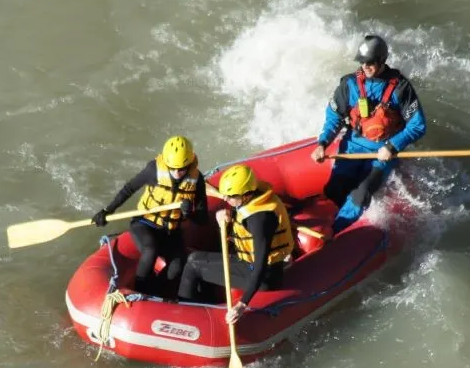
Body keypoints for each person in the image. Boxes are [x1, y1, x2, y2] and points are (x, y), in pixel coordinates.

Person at [310, 34, 427, 233]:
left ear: (382, 61)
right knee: (335, 189)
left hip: (382, 151)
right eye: (362, 62)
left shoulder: (401, 88)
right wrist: (323, 143)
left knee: (361, 192)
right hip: (353, 145)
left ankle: (335, 232)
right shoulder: (349, 85)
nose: (366, 66)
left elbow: (418, 125)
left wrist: (392, 146)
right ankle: (322, 221)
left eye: (370, 62)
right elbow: (334, 116)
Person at [176, 164, 294, 324]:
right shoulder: (254, 197)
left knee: (193, 266)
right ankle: (205, 305)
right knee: (194, 258)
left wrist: (242, 304)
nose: (225, 199)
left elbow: (260, 266)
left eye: (230, 196)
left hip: (264, 277)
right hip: (248, 263)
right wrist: (228, 219)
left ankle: (184, 317)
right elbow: (243, 229)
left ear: (246, 195)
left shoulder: (259, 221)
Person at [91, 135, 208, 293]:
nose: (177, 172)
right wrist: (107, 210)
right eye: (172, 168)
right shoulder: (153, 169)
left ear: (189, 163)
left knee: (178, 265)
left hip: (171, 231)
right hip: (145, 223)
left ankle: (156, 292)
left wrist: (188, 212)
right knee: (150, 249)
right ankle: (140, 289)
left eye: (181, 169)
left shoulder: (197, 180)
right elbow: (129, 188)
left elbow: (202, 219)